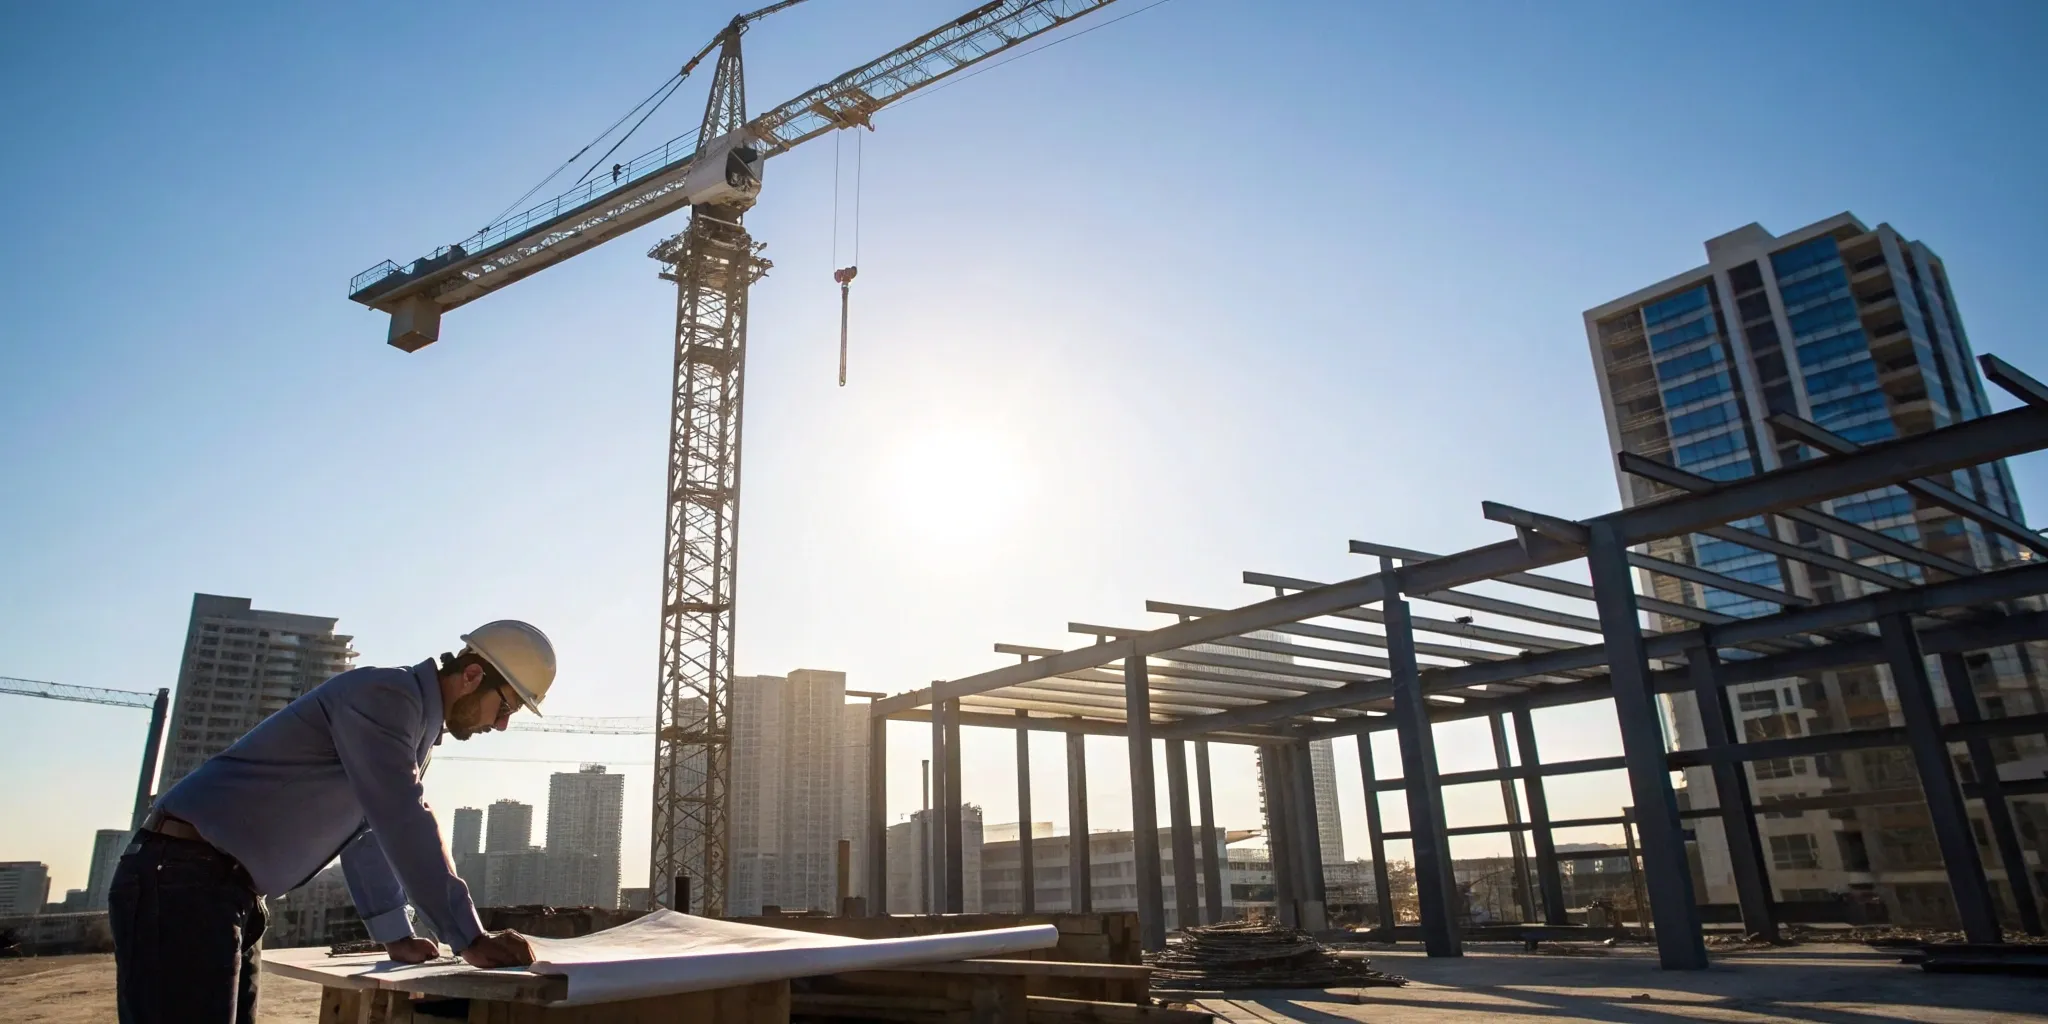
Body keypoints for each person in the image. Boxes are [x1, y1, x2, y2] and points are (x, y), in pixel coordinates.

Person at [109, 620, 558, 1024]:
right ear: (473, 676)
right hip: (182, 879)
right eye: (506, 706)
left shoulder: (411, 724)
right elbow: (402, 817)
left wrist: (396, 935)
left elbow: (369, 832)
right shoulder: (388, 696)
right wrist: (468, 937)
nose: (501, 724)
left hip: (222, 890)